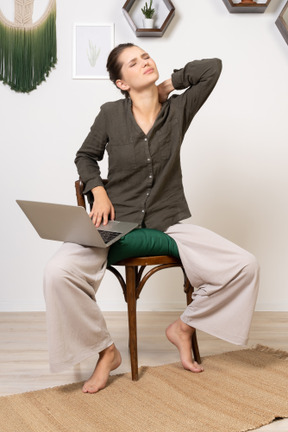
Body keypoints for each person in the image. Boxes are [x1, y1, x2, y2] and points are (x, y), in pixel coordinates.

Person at [44, 43, 259, 394]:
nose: (144, 62)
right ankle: (105, 351)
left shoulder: (178, 109)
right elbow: (85, 157)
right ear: (121, 82)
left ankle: (184, 327)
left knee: (244, 266)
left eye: (145, 56)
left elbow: (213, 67)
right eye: (133, 63)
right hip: (115, 221)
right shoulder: (110, 114)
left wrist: (169, 84)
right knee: (58, 272)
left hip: (167, 220)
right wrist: (98, 190)